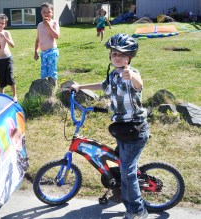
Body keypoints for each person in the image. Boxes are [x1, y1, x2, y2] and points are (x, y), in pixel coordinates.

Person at [71, 33, 149, 219]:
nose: (118, 57)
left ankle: (137, 211)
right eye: (114, 54)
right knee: (120, 162)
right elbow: (102, 85)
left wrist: (131, 77)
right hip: (122, 128)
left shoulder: (131, 73)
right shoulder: (113, 74)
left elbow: (139, 84)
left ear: (130, 57)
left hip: (135, 129)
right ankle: (121, 191)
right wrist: (81, 86)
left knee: (127, 170)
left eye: (122, 54)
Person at [34, 2, 60, 86]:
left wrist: (49, 26)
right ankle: (45, 91)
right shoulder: (40, 25)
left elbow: (56, 36)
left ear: (52, 13)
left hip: (52, 52)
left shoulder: (54, 23)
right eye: (44, 12)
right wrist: (35, 51)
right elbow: (38, 39)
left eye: (48, 12)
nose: (46, 14)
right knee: (44, 74)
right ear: (41, 13)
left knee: (52, 73)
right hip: (43, 53)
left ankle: (53, 91)